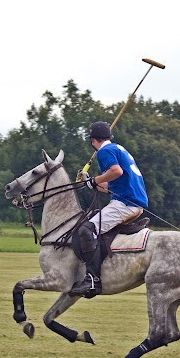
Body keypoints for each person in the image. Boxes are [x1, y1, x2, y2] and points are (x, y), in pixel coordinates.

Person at [69, 121, 148, 298]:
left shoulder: (104, 151)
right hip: (131, 203)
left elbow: (116, 171)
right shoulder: (118, 148)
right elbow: (109, 186)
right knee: (94, 226)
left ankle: (92, 279)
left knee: (87, 230)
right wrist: (90, 182)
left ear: (92, 140)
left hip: (124, 204)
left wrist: (95, 179)